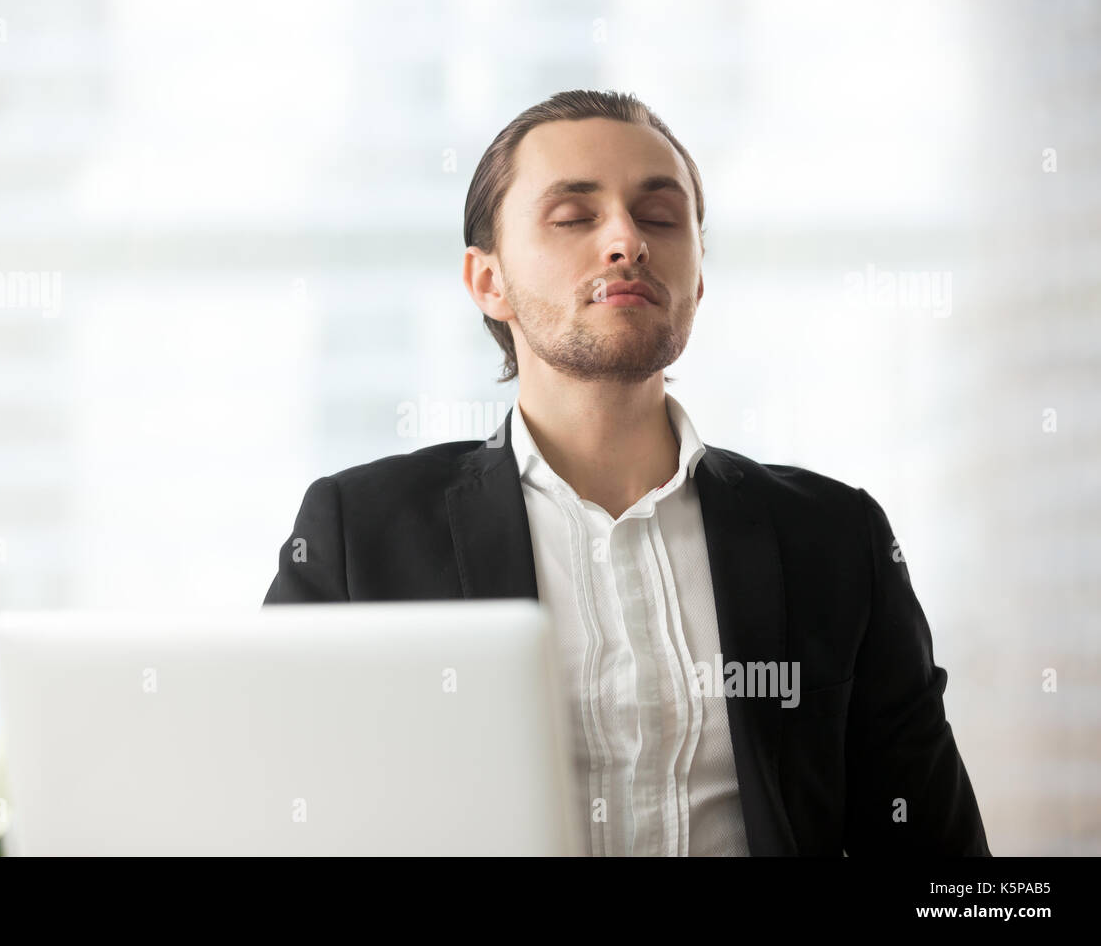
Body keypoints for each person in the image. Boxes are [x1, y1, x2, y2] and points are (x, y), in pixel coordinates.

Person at [263, 89, 990, 857]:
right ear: (487, 281)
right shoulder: (360, 531)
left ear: (698, 280)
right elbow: (268, 810)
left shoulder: (835, 537)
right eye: (574, 217)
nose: (626, 241)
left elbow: (946, 866)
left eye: (661, 218)